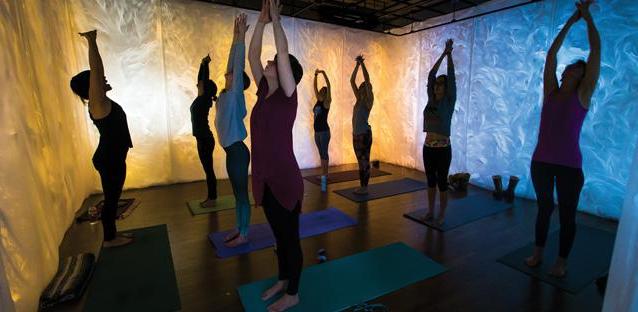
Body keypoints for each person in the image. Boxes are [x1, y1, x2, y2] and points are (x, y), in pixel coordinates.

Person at [525, 0, 600, 278]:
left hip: (570, 166)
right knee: (544, 209)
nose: (572, 70)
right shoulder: (551, 92)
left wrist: (588, 18)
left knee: (567, 215)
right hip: (541, 161)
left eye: (578, 70)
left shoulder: (582, 96)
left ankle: (561, 261)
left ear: (582, 78)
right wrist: (571, 20)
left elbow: (596, 54)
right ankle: (538, 253)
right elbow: (551, 56)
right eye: (571, 67)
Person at [248, 0, 304, 310]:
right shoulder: (262, 92)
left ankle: (293, 292)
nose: (268, 62)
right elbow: (252, 55)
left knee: (290, 237)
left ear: (288, 75)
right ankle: (283, 279)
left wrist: (278, 22)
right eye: (270, 63)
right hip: (265, 178)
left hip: (284, 179)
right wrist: (261, 21)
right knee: (278, 237)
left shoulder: (287, 96)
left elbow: (281, 54)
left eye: (276, 63)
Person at [70, 30, 134, 248]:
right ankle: (109, 239)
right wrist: (92, 41)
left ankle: (111, 235)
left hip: (110, 157)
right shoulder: (97, 105)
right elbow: (98, 71)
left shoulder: (102, 104)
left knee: (112, 197)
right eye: (96, 80)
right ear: (92, 87)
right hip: (109, 159)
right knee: (112, 199)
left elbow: (97, 75)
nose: (103, 79)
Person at [215, 14, 253, 247]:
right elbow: (231, 64)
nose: (228, 73)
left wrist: (242, 38)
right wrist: (234, 37)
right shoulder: (224, 95)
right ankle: (239, 228)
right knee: (237, 195)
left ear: (238, 82)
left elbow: (237, 65)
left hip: (238, 152)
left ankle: (245, 233)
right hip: (232, 153)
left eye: (232, 75)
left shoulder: (236, 95)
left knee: (242, 194)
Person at [422, 39, 456, 225]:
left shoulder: (449, 102)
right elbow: (431, 75)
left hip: (443, 149)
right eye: (436, 85)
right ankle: (430, 211)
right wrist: (442, 54)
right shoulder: (431, 100)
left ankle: (442, 214)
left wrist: (449, 55)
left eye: (440, 85)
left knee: (442, 182)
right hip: (428, 147)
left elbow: (451, 76)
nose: (436, 87)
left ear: (446, 88)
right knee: (430, 181)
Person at [350, 54, 374, 195]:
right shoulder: (359, 100)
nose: (363, 88)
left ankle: (364, 187)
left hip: (364, 134)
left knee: (364, 161)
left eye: (366, 87)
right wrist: (357, 65)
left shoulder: (368, 102)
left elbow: (367, 79)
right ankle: (363, 186)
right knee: (360, 161)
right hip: (356, 134)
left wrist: (363, 64)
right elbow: (352, 80)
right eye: (362, 87)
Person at [313, 69, 332, 192]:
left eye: (322, 91)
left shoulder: (326, 103)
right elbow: (314, 87)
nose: (320, 91)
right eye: (320, 90)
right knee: (321, 153)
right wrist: (315, 75)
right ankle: (323, 173)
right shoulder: (318, 101)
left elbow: (329, 86)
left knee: (324, 153)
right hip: (317, 132)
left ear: (325, 94)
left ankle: (326, 173)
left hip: (324, 131)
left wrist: (324, 73)